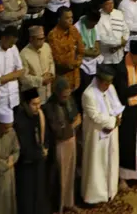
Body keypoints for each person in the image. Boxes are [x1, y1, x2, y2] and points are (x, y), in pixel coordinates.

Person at [80, 65, 122, 206]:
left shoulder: (110, 88)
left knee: (111, 159)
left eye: (109, 83)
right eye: (105, 83)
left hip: (111, 132)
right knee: (96, 164)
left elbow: (116, 105)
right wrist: (113, 121)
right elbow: (95, 116)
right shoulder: (88, 94)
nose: (107, 86)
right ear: (98, 80)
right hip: (96, 135)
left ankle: (110, 190)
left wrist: (118, 116)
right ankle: (94, 196)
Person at [111, 39, 137, 187]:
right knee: (128, 142)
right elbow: (123, 91)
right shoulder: (122, 68)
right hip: (127, 111)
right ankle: (124, 177)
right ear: (131, 55)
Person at [43, 80, 79, 214]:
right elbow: (58, 131)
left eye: (68, 94)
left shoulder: (70, 100)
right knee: (60, 178)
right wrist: (72, 126)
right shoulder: (49, 107)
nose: (67, 98)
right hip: (59, 145)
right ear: (57, 93)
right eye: (64, 96)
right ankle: (58, 208)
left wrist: (70, 126)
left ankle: (69, 203)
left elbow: (77, 117)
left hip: (71, 140)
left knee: (71, 175)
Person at [12, 90, 48, 214]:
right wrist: (39, 153)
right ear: (25, 104)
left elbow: (43, 134)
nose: (38, 107)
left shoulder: (38, 115)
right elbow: (23, 146)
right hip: (25, 165)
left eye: (39, 104)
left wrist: (45, 148)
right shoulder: (19, 121)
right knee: (27, 198)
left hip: (37, 161)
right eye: (34, 104)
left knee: (39, 194)